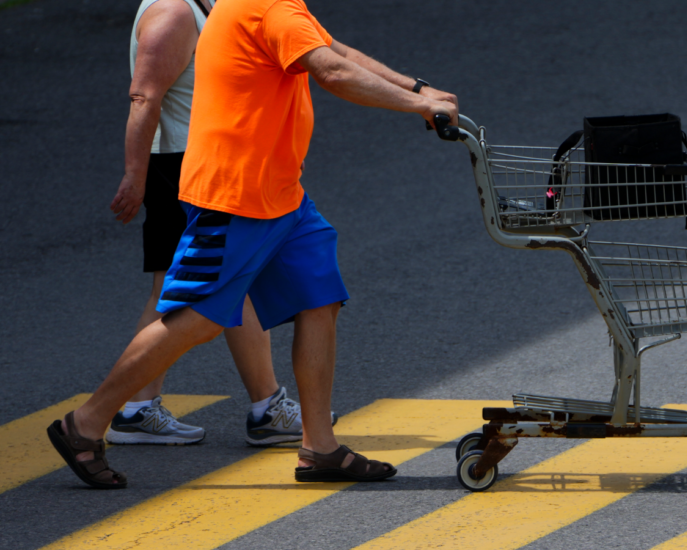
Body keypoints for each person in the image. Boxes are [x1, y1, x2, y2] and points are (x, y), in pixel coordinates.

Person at [47, 0, 458, 488]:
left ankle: (319, 448)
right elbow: (330, 71)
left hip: (282, 196)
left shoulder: (279, 6)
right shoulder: (262, 5)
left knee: (320, 299)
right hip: (234, 196)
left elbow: (332, 49)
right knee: (197, 317)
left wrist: (416, 86)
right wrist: (419, 105)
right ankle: (86, 423)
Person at [106, 0, 336, 447]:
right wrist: (135, 175)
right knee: (186, 290)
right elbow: (144, 95)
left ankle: (261, 405)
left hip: (208, 163)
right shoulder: (173, 12)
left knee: (222, 284)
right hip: (183, 167)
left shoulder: (212, 6)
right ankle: (133, 408)